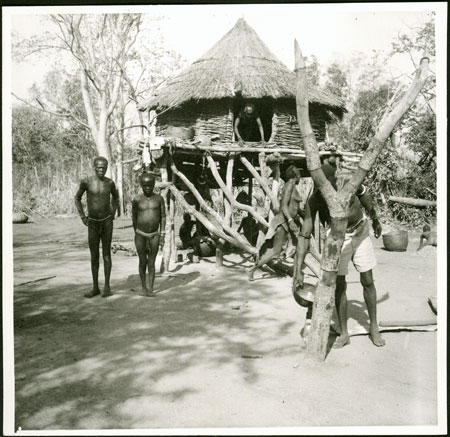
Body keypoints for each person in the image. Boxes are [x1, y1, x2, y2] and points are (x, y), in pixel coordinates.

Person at [294, 163, 385, 348]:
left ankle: (374, 327)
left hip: (359, 231)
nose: (324, 188)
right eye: (319, 185)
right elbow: (304, 235)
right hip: (337, 238)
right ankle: (344, 333)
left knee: (367, 279)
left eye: (327, 183)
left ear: (334, 178)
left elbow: (364, 196)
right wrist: (297, 270)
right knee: (340, 285)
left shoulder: (348, 182)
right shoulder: (316, 199)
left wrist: (375, 218)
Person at [246, 165, 303, 281]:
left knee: (299, 245)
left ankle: (297, 274)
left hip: (289, 222)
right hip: (283, 222)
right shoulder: (290, 186)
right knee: (275, 251)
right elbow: (283, 206)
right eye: (299, 175)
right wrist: (291, 220)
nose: (300, 178)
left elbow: (293, 205)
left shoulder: (291, 186)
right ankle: (252, 269)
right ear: (296, 176)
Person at [74, 156, 119, 298]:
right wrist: (82, 216)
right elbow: (77, 198)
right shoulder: (87, 182)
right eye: (99, 167)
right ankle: (95, 287)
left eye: (104, 167)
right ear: (94, 167)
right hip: (93, 222)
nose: (101, 170)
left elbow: (116, 198)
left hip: (107, 222)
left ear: (107, 167)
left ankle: (106, 286)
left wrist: (113, 212)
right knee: (94, 255)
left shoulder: (110, 183)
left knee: (106, 254)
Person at [132, 173, 166, 297]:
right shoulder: (137, 200)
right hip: (140, 234)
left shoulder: (159, 199)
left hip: (154, 235)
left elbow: (163, 216)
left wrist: (162, 234)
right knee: (142, 261)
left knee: (151, 262)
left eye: (150, 186)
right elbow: (134, 218)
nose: (147, 188)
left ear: (154, 186)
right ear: (141, 185)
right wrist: (137, 232)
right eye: (145, 186)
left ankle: (150, 288)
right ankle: (143, 287)